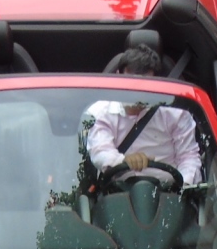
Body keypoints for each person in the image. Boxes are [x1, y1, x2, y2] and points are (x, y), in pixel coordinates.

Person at [84, 45, 202, 186]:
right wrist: (123, 162)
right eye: (130, 84)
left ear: (156, 83)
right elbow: (100, 151)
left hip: (169, 193)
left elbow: (188, 156)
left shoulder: (175, 112)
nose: (135, 93)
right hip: (116, 192)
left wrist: (185, 186)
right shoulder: (100, 112)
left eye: (143, 85)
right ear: (118, 76)